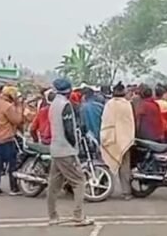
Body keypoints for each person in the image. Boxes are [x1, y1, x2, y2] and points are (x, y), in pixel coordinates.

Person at [47, 78, 94, 227]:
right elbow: (69, 130)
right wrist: (74, 145)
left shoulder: (53, 104)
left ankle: (53, 216)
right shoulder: (65, 105)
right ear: (69, 90)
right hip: (66, 149)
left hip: (55, 148)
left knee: (54, 185)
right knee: (79, 181)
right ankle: (78, 215)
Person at [100, 82, 136, 200]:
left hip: (111, 138)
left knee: (107, 162)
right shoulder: (127, 105)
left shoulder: (109, 105)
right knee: (125, 167)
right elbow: (130, 122)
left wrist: (105, 136)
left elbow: (106, 121)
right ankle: (126, 192)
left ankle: (102, 187)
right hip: (125, 139)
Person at [0, 86, 24, 197]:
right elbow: (17, 120)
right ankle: (13, 188)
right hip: (7, 138)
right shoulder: (7, 106)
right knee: (12, 164)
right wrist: (18, 106)